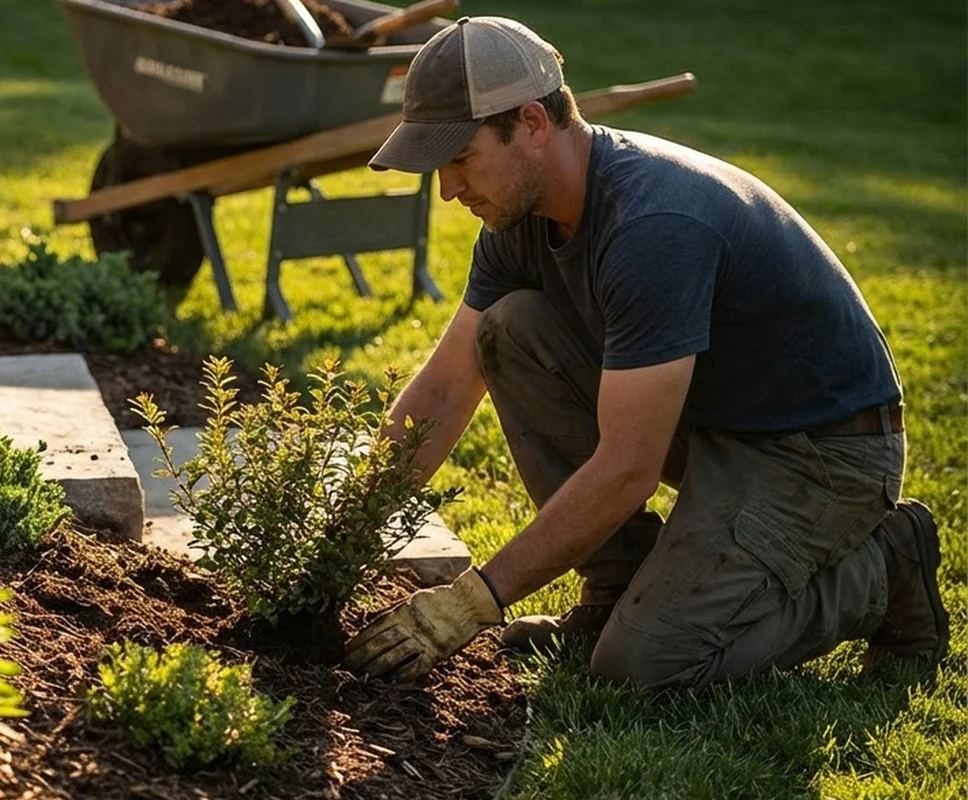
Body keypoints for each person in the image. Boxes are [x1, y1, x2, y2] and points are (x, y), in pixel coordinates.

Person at [341, 16, 946, 688]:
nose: (449, 189)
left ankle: (885, 570)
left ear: (534, 124)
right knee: (509, 330)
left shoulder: (652, 225)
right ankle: (616, 588)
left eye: (460, 158)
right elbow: (446, 390)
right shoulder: (522, 218)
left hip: (820, 452)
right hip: (717, 419)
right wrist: (346, 537)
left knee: (644, 665)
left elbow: (628, 467)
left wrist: (472, 601)